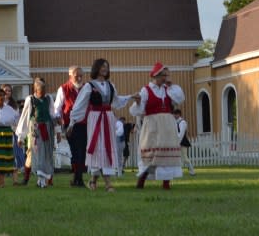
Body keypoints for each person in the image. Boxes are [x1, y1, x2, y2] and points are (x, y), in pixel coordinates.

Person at [70, 58, 138, 192]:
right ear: (97, 68)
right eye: (102, 66)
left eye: (106, 66)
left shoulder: (110, 85)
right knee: (98, 147)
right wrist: (72, 123)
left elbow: (117, 101)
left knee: (106, 147)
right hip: (95, 119)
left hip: (108, 117)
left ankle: (93, 180)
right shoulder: (89, 86)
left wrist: (130, 96)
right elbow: (79, 105)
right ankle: (108, 183)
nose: (105, 69)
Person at [130, 62, 185, 190]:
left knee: (166, 152)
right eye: (163, 76)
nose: (165, 78)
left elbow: (180, 99)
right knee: (151, 153)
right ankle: (141, 179)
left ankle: (166, 184)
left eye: (166, 75)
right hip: (152, 124)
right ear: (156, 76)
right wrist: (138, 103)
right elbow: (136, 110)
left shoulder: (168, 90)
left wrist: (171, 86)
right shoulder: (146, 90)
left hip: (167, 124)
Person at [16, 77, 58, 188]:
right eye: (41, 92)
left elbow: (53, 115)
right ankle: (40, 179)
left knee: (47, 154)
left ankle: (43, 179)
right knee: (37, 153)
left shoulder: (48, 98)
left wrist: (57, 131)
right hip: (35, 130)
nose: (43, 94)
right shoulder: (30, 100)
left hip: (48, 129)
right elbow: (25, 118)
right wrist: (21, 136)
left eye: (44, 91)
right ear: (36, 90)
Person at [54, 65, 87, 187]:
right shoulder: (63, 89)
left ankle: (78, 178)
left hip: (84, 123)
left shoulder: (86, 88)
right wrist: (58, 119)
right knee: (75, 151)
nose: (79, 78)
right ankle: (77, 178)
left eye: (81, 76)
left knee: (82, 151)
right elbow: (57, 107)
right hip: (69, 125)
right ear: (70, 76)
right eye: (76, 76)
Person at [174, 109, 196, 176]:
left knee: (185, 158)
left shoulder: (182, 122)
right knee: (177, 157)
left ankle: (192, 171)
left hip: (182, 142)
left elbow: (181, 133)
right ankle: (179, 172)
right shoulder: (175, 122)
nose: (174, 115)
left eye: (175, 114)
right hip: (177, 141)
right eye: (174, 114)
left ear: (179, 114)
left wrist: (178, 142)